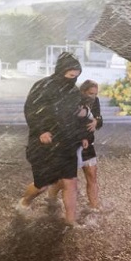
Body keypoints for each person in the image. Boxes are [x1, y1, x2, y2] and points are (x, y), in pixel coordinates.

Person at [17, 52, 89, 227]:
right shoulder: (42, 86)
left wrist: (83, 125)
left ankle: (71, 221)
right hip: (44, 144)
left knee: (71, 182)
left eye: (76, 76)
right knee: (42, 185)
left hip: (67, 143)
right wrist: (41, 130)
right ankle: (24, 202)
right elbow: (30, 110)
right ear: (60, 71)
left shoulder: (73, 91)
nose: (73, 79)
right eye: (70, 75)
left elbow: (80, 113)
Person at [48, 79, 104, 212]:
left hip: (88, 143)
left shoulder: (95, 101)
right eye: (90, 94)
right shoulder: (72, 102)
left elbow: (99, 119)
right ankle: (51, 195)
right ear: (83, 92)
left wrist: (97, 121)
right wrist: (81, 137)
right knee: (66, 180)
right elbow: (67, 124)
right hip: (71, 143)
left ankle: (94, 206)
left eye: (95, 94)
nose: (93, 97)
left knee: (92, 174)